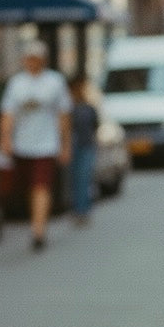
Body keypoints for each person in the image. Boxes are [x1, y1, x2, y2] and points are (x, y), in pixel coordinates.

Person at [0, 40, 71, 250]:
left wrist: (65, 144)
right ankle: (36, 221)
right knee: (29, 187)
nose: (32, 63)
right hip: (22, 145)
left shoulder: (54, 82)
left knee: (41, 186)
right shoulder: (17, 83)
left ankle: (38, 230)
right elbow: (7, 113)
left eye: (36, 59)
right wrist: (5, 138)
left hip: (47, 145)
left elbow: (64, 115)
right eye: (29, 58)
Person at [68, 75, 99, 225]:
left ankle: (84, 210)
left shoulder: (88, 108)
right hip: (73, 147)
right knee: (75, 179)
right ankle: (78, 209)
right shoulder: (68, 108)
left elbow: (95, 126)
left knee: (84, 179)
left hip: (86, 146)